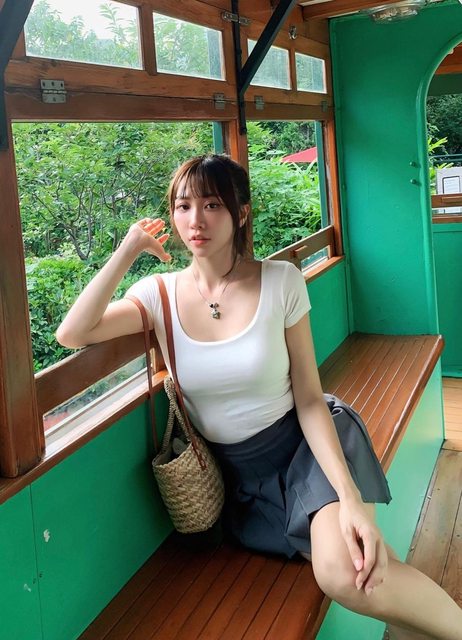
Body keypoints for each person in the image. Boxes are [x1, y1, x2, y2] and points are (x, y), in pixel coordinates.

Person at [57, 154, 462, 639]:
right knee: (371, 570)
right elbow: (72, 333)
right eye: (183, 206)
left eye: (212, 204)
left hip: (307, 448)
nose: (195, 220)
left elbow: (309, 398)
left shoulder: (279, 281)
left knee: (344, 572)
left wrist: (350, 497)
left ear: (241, 212)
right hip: (245, 479)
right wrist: (128, 249)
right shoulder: (157, 295)